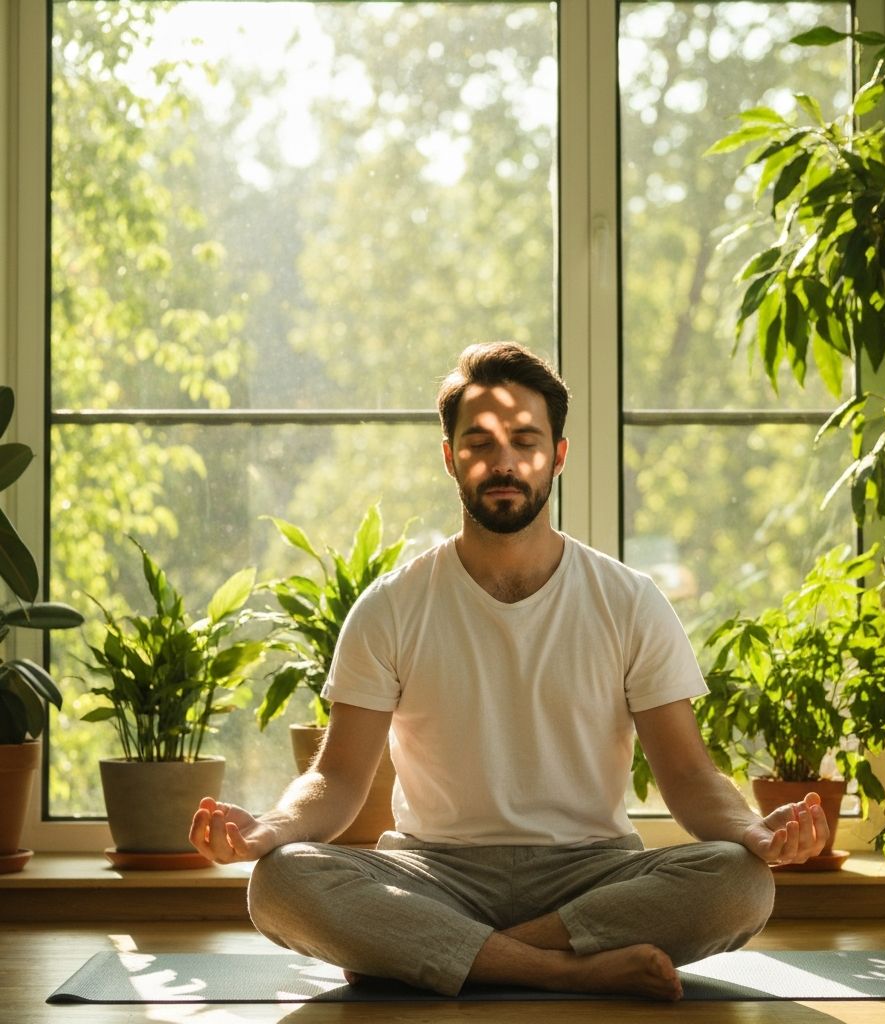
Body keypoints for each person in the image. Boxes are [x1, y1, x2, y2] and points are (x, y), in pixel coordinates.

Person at [190, 341, 828, 1002]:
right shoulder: (392, 605)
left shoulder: (630, 601)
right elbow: (337, 778)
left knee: (742, 881)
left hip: (592, 873)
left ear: (558, 455)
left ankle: (439, 951)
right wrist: (266, 830)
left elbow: (690, 776)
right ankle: (562, 969)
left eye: (525, 441)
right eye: (479, 442)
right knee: (280, 882)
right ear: (449, 457)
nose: (503, 463)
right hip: (431, 872)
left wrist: (756, 831)